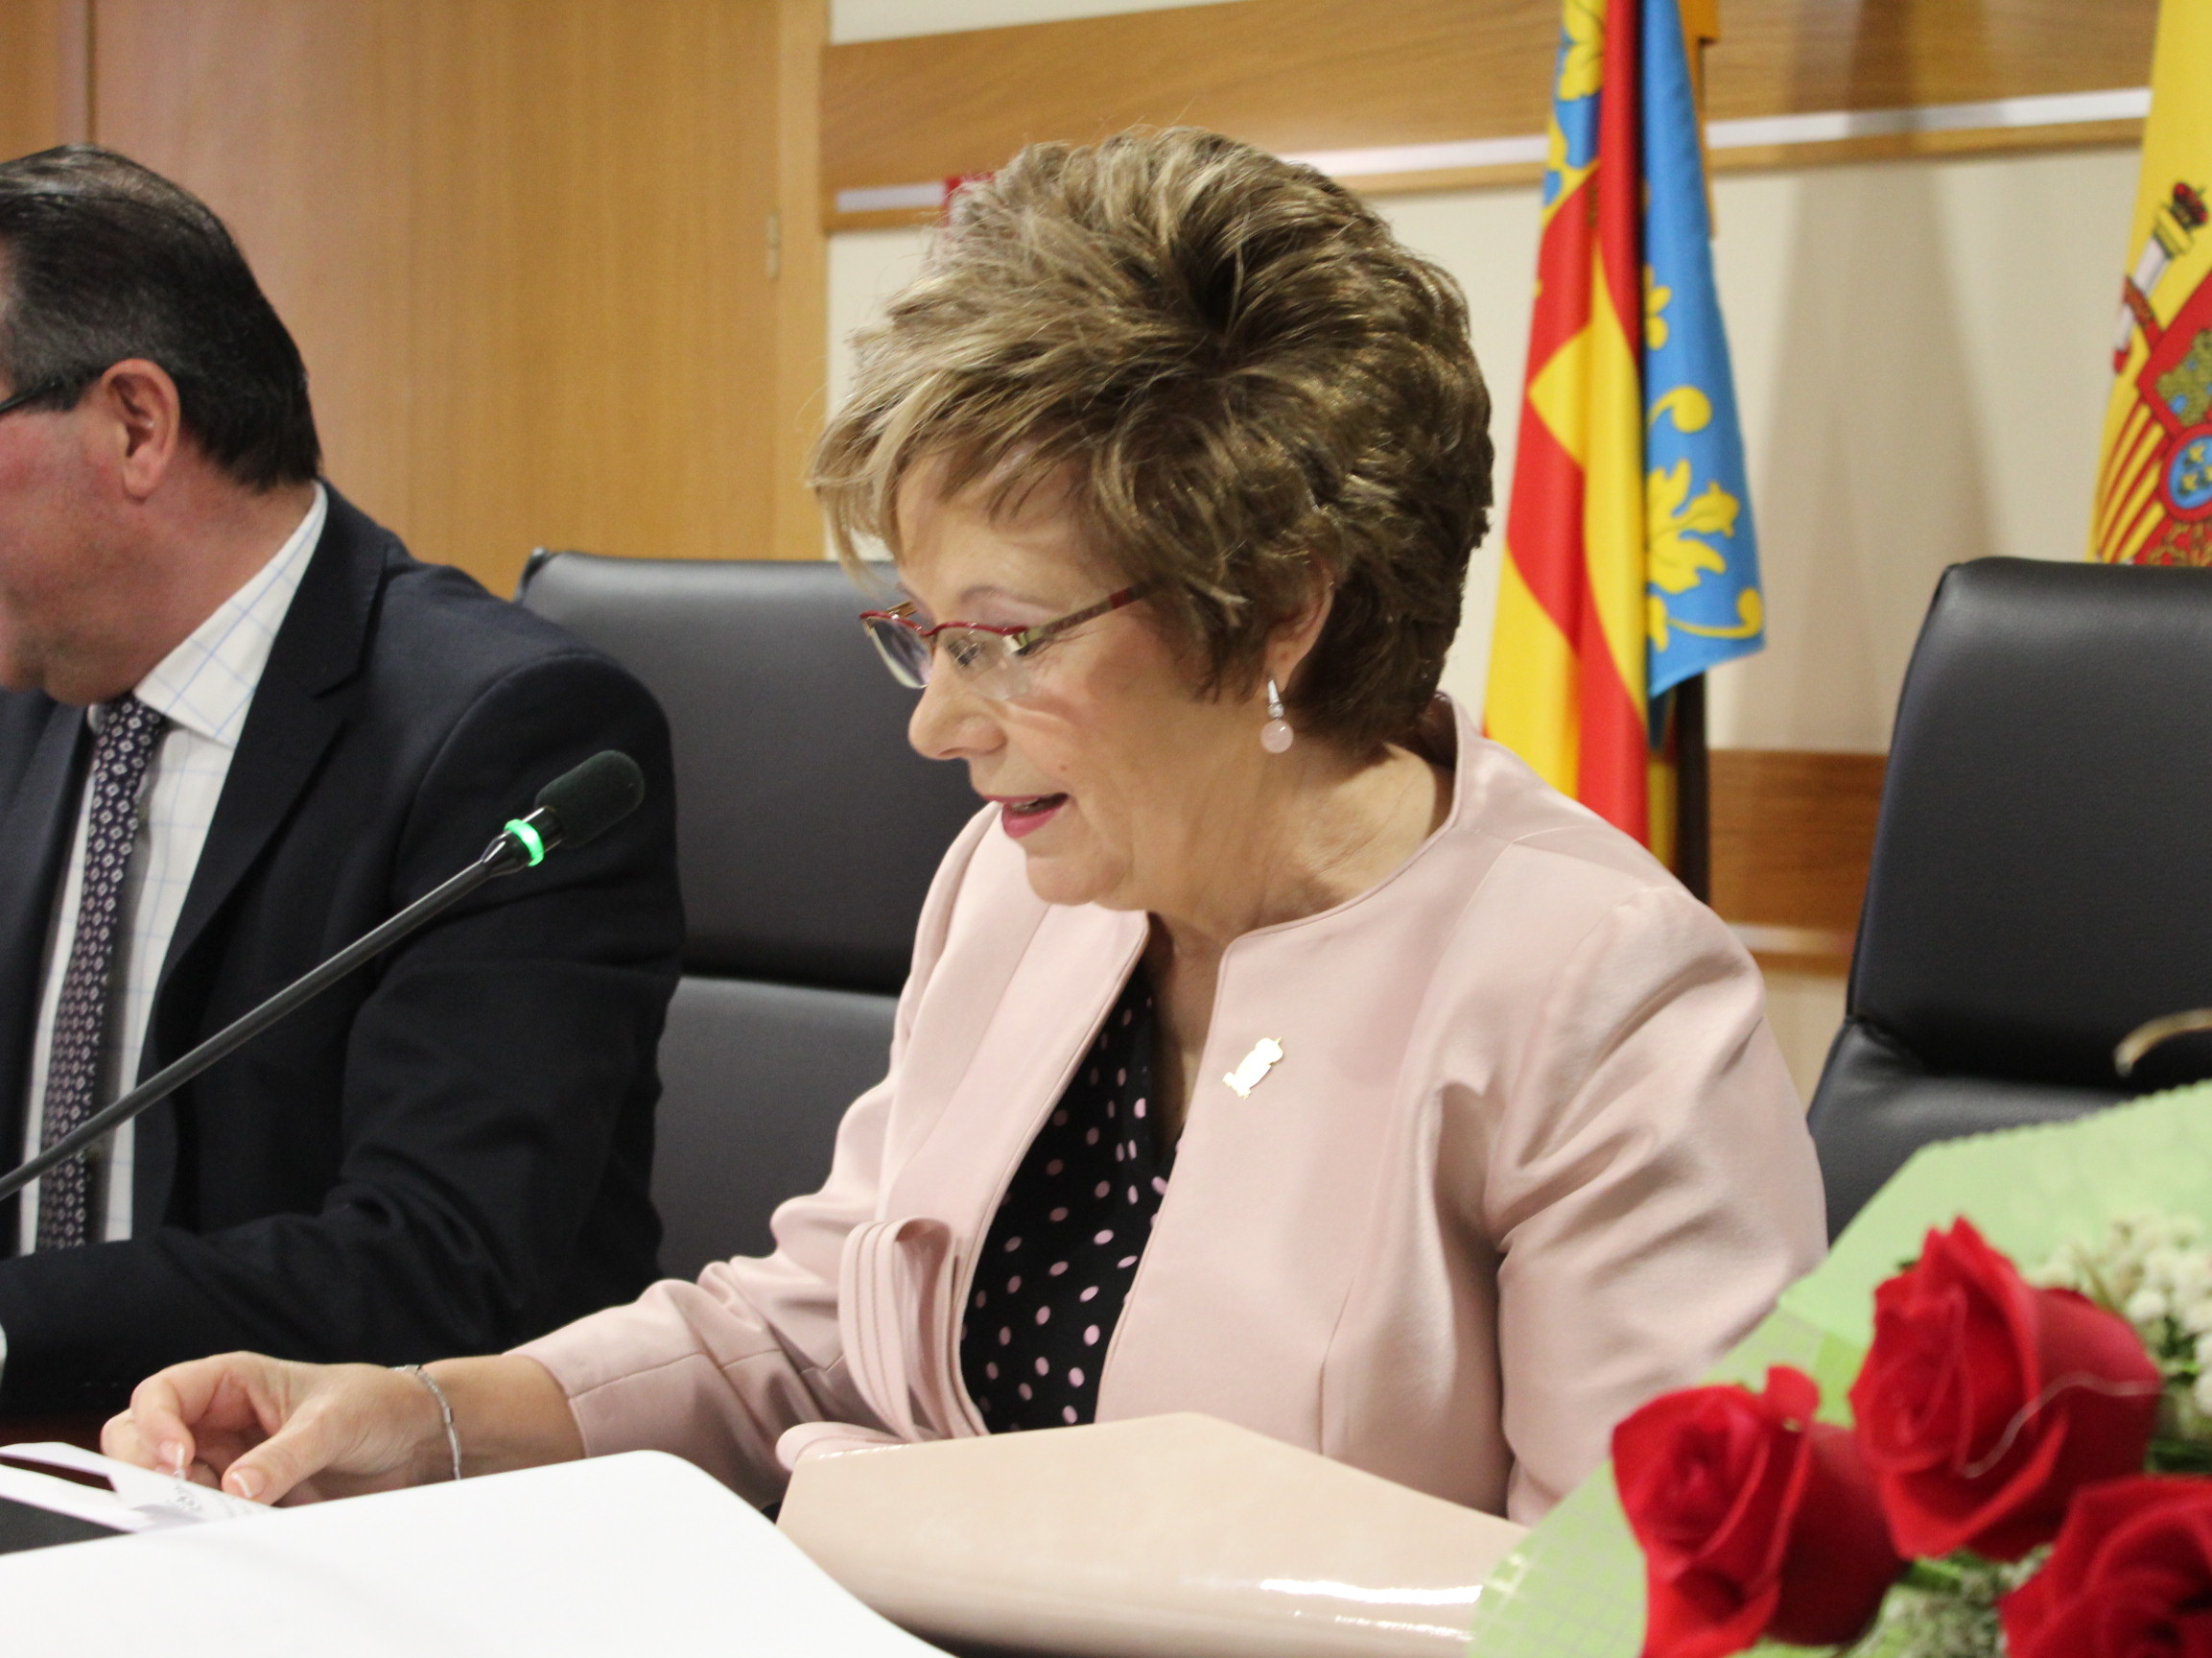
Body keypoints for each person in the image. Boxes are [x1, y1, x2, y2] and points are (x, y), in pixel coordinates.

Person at [106, 129, 1823, 1523]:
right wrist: (422, 1416)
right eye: (921, 636)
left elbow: (1652, 1610)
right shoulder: (1020, 893)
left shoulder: (1599, 999)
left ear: (1278, 609)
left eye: (1001, 640)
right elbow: (810, 1337)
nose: (936, 722)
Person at [0, 147, 681, 1409]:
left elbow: (440, 1260)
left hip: (352, 1490)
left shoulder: (510, 735)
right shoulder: (31, 697)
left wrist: (11, 1332)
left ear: (136, 425)